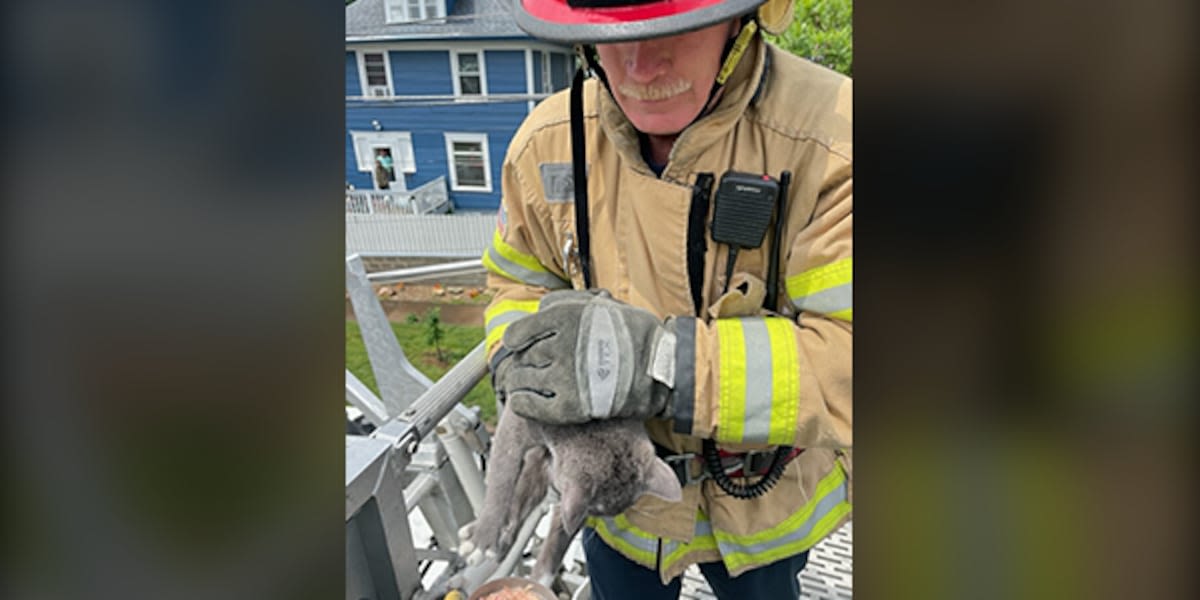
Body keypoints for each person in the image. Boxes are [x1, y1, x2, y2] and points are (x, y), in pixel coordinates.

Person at [482, 1, 851, 598]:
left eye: (675, 28)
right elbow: (516, 283)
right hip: (621, 508)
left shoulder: (838, 140)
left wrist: (660, 365)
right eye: (610, 34)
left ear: (743, 19)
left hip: (763, 513)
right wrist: (524, 369)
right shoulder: (546, 143)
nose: (640, 66)